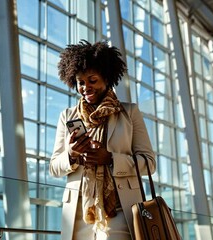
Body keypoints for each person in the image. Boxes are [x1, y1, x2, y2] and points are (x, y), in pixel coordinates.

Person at [49, 40, 156, 240]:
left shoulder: (129, 113)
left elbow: (149, 163)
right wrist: (72, 155)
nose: (86, 87)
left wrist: (110, 158)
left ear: (106, 79)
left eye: (92, 80)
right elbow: (54, 167)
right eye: (81, 82)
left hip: (120, 209)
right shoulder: (68, 116)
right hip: (79, 212)